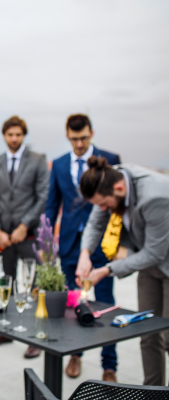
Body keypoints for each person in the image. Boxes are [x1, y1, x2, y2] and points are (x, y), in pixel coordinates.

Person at [77, 157, 169, 386]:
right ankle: (153, 392)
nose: (103, 210)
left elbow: (154, 253)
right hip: (149, 269)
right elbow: (96, 223)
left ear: (119, 189)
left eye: (105, 205)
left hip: (162, 260)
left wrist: (106, 270)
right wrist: (85, 254)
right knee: (148, 334)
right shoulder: (108, 180)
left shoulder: (155, 195)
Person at [45, 114, 121, 382]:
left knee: (105, 303)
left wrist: (118, 244)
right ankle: (75, 354)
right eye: (75, 138)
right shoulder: (59, 164)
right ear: (68, 136)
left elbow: (119, 207)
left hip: (101, 245)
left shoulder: (110, 158)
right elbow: (53, 205)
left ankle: (109, 365)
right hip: (68, 244)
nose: (79, 143)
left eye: (84, 138)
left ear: (92, 133)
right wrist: (47, 245)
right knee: (72, 303)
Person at [0, 115, 49, 359]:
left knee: (34, 286)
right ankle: (6, 331)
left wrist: (24, 225)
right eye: (10, 135)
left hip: (29, 234)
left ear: (23, 136)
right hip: (3, 236)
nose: (14, 138)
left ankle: (35, 337)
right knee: (5, 284)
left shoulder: (38, 160)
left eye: (18, 135)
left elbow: (42, 197)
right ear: (4, 136)